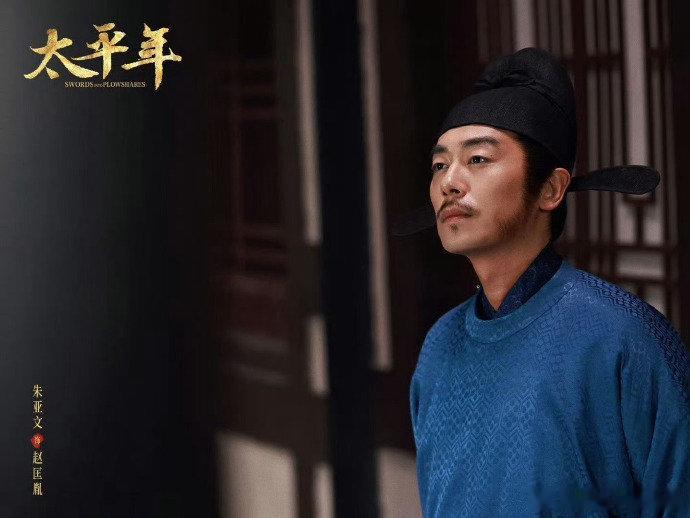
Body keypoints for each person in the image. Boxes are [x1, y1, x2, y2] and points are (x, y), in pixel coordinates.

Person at [403, 48, 690, 517]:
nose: (450, 182)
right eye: (439, 165)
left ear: (551, 189)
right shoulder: (439, 346)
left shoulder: (623, 339)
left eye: (478, 159)